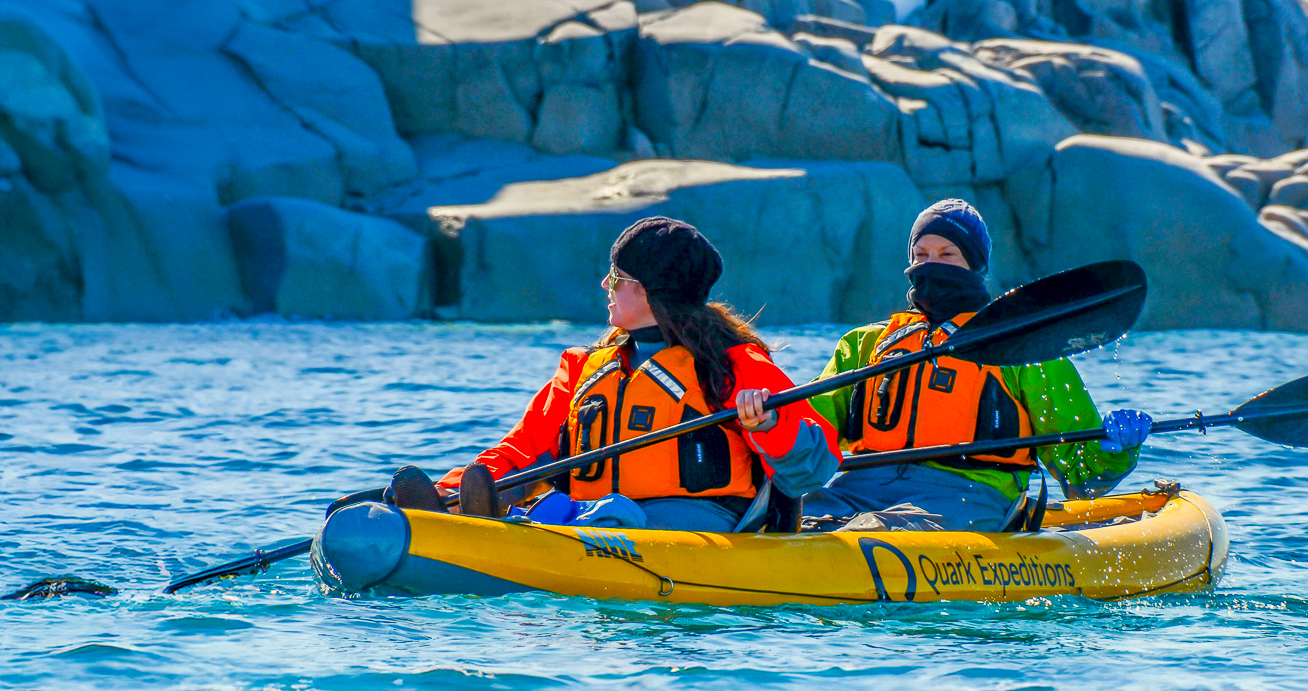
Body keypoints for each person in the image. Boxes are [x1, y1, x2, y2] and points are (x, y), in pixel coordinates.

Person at [390, 217, 839, 532]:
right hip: (595, 515)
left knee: (604, 514)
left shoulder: (733, 364)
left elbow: (816, 469)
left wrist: (769, 426)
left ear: (649, 292)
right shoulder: (588, 367)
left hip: (700, 522)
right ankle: (455, 512)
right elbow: (523, 447)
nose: (606, 286)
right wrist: (452, 488)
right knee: (557, 499)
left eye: (616, 276)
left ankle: (542, 525)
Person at [801, 199, 1153, 532]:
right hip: (859, 487)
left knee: (875, 529)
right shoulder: (864, 345)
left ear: (975, 265)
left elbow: (1080, 477)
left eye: (947, 255)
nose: (930, 265)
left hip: (969, 496)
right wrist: (763, 423)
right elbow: (807, 434)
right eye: (921, 254)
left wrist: (1116, 450)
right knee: (787, 515)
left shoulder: (1024, 349)